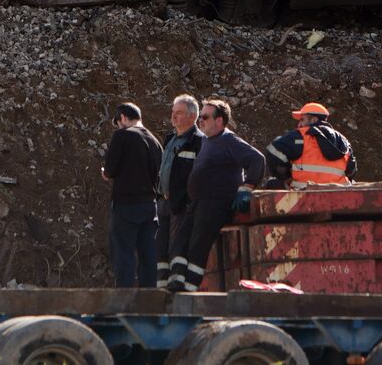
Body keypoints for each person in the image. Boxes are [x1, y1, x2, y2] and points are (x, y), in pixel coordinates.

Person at [165, 99, 265, 293]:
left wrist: (246, 188)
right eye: (200, 116)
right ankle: (176, 283)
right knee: (180, 241)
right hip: (198, 202)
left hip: (215, 202)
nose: (200, 121)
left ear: (219, 121)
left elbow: (257, 159)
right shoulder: (207, 141)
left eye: (205, 117)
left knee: (197, 245)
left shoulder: (228, 140)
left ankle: (189, 288)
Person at [102, 102, 163, 288]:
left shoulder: (122, 136)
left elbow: (110, 171)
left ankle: (125, 304)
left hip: (126, 206)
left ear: (122, 118)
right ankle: (149, 302)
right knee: (148, 258)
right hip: (150, 207)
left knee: (124, 257)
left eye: (118, 122)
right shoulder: (155, 142)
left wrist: (104, 172)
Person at [156, 94, 203, 287]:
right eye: (173, 112)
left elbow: (199, 175)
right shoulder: (170, 139)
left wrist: (189, 199)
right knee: (160, 246)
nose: (174, 117)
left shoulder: (198, 141)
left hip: (183, 203)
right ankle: (161, 284)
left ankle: (176, 283)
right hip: (164, 201)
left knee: (178, 245)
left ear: (192, 117)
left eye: (179, 113)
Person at [265, 102, 356, 187]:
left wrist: (286, 177)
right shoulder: (343, 141)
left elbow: (273, 153)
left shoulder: (301, 135)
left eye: (302, 120)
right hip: (338, 194)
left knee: (272, 183)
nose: (299, 125)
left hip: (302, 193)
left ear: (313, 120)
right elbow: (351, 171)